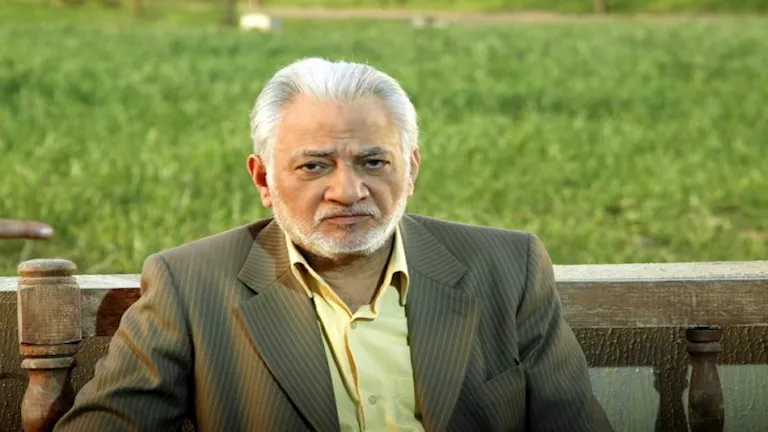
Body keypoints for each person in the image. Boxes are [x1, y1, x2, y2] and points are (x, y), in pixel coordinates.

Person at [56, 58, 613, 432]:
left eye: (373, 162)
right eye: (314, 166)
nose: (348, 191)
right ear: (263, 180)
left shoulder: (508, 268)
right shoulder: (191, 284)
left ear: (411, 169)